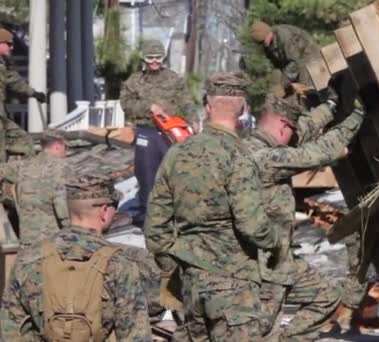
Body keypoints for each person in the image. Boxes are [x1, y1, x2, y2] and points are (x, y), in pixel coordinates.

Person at [144, 72, 280, 341]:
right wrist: (275, 241)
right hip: (234, 286)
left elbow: (155, 227)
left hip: (192, 283)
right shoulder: (239, 156)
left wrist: (173, 264)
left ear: (207, 106)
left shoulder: (177, 154)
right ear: (243, 110)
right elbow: (251, 225)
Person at [245, 94, 365, 339]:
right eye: (291, 130)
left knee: (327, 295)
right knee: (260, 330)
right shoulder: (265, 159)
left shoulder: (258, 145)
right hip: (263, 265)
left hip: (279, 259)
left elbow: (304, 129)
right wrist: (357, 115)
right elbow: (318, 152)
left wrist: (331, 105)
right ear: (282, 126)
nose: (294, 137)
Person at [0, 170, 152, 341]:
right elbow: (136, 336)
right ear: (104, 211)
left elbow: (10, 331)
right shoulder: (120, 264)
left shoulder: (28, 260)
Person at [119, 39, 195, 225]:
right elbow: (126, 104)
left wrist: (193, 119)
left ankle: (175, 214)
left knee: (173, 173)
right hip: (147, 132)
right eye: (150, 57)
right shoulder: (134, 81)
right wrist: (148, 107)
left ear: (164, 58)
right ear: (144, 59)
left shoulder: (174, 79)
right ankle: (149, 215)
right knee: (146, 174)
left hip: (171, 132)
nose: (154, 61)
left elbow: (186, 101)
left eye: (158, 57)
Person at [0, 130, 68, 247]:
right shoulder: (62, 168)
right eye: (65, 148)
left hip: (28, 242)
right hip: (54, 243)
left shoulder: (23, 166)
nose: (66, 152)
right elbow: (62, 207)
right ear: (58, 146)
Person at [250, 21, 321, 97]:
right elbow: (277, 66)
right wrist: (276, 85)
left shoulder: (284, 35)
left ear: (268, 33)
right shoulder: (268, 45)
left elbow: (294, 63)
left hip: (309, 56)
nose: (263, 44)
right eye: (260, 43)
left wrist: (282, 84)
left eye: (263, 41)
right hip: (294, 64)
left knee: (307, 89)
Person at [0, 28, 46, 118]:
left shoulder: (5, 63)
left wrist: (33, 93)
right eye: (9, 44)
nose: (12, 47)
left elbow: (14, 80)